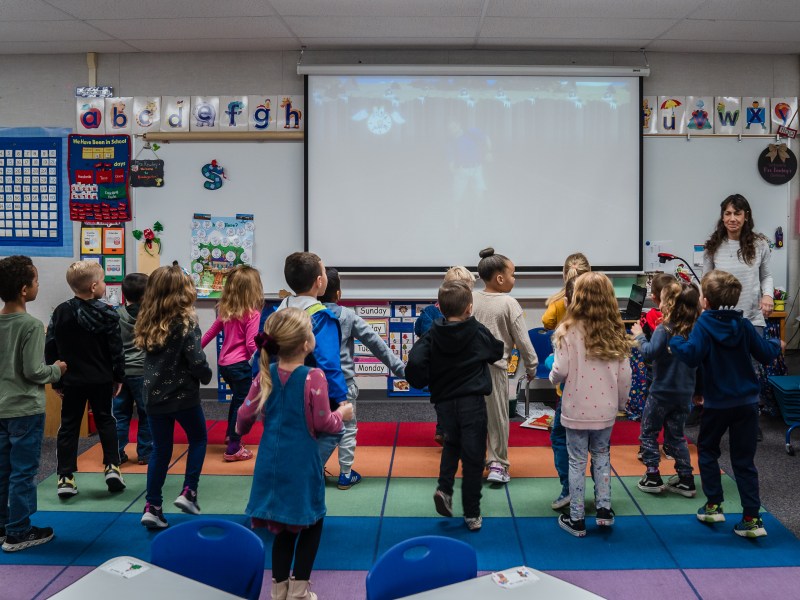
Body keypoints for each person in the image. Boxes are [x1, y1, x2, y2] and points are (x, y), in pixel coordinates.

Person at [237, 308, 353, 600]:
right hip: (302, 465)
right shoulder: (313, 376)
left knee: (283, 527)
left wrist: (243, 429)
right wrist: (344, 413)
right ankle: (299, 590)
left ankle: (279, 591)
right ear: (305, 344)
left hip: (270, 464)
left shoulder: (266, 374)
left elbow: (242, 417)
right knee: (312, 521)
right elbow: (323, 423)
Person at [670, 270, 781, 538]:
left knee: (707, 450)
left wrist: (674, 341)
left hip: (718, 404)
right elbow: (766, 355)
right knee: (744, 461)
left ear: (704, 301)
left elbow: (692, 355)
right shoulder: (743, 325)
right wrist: (777, 342)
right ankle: (752, 519)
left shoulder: (703, 326)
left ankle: (713, 505)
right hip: (746, 404)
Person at [405, 281, 503, 532]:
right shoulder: (477, 331)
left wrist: (422, 380)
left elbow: (415, 362)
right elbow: (496, 351)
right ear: (469, 308)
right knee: (472, 459)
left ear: (441, 309)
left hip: (445, 404)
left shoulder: (433, 334)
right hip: (473, 403)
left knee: (451, 444)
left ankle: (444, 489)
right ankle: (471, 513)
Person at [550, 272, 633, 537]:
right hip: (606, 409)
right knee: (602, 456)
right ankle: (604, 510)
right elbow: (625, 376)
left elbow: (559, 371)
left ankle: (576, 518)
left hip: (575, 408)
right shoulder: (616, 331)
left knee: (576, 461)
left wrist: (551, 375)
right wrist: (621, 403)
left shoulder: (567, 331)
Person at [135, 265, 212, 529]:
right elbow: (197, 360)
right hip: (182, 397)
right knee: (199, 438)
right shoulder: (186, 323)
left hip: (153, 397)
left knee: (160, 449)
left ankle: (152, 506)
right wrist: (205, 375)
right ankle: (189, 491)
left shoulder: (147, 320)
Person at [0, 256, 66, 552]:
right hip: (25, 410)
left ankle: (4, 525)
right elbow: (34, 371)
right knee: (24, 472)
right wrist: (57, 369)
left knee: (3, 470)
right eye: (37, 280)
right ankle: (19, 531)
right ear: (25, 290)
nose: (39, 284)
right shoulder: (30, 325)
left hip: (1, 408)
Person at [45, 260, 126, 498]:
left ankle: (65, 477)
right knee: (106, 420)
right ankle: (112, 466)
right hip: (101, 378)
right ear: (93, 287)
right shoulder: (108, 314)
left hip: (72, 380)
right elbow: (116, 350)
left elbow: (51, 347)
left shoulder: (60, 312)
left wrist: (56, 379)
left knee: (68, 426)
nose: (104, 285)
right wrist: (118, 376)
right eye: (102, 281)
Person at [319, 268, 405, 489]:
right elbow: (377, 344)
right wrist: (401, 370)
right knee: (347, 429)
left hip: (314, 384)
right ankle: (345, 475)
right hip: (344, 385)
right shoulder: (347, 315)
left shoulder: (307, 313)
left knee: (316, 427)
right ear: (338, 294)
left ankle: (315, 470)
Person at [701, 193, 775, 437]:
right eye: (728, 214)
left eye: (737, 213)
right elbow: (706, 280)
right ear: (722, 217)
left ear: (746, 216)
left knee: (750, 371)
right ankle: (717, 421)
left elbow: (766, 275)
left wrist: (768, 296)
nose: (732, 218)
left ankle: (750, 422)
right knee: (717, 371)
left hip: (751, 318)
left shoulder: (760, 244)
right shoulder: (713, 245)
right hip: (718, 321)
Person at [276, 253, 348, 469]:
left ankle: (291, 466)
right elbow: (329, 362)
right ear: (319, 282)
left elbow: (262, 349)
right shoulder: (321, 316)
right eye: (324, 272)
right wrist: (341, 397)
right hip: (310, 387)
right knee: (336, 429)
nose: (325, 276)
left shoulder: (279, 309)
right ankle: (305, 469)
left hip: (279, 383)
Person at [472, 248, 538, 484]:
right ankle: (498, 464)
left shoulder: (471, 299)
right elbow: (523, 341)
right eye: (512, 274)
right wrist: (532, 367)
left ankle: (474, 459)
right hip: (495, 369)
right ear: (499, 278)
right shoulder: (509, 303)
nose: (514, 278)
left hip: (469, 369)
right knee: (497, 416)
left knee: (474, 416)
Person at [632, 280, 700, 497]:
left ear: (667, 303)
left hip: (661, 393)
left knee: (649, 433)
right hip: (684, 394)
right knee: (677, 436)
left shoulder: (664, 329)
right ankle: (686, 478)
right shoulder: (694, 329)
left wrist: (639, 336)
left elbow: (650, 353)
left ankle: (653, 475)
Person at [201, 265, 264, 461]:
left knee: (237, 399)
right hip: (240, 366)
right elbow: (251, 343)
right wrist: (262, 363)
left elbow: (211, 332)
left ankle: (230, 435)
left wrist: (196, 349)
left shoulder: (226, 310)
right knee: (242, 404)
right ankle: (234, 447)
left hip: (225, 365)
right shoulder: (252, 313)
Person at [414, 266, 477, 445]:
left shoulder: (429, 312)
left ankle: (443, 430)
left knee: (442, 400)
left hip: (438, 369)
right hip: (461, 368)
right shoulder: (468, 315)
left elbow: (420, 331)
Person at [636, 272, 680, 462]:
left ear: (653, 297)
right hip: (680, 377)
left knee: (651, 414)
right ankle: (671, 448)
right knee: (675, 415)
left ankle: (647, 449)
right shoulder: (685, 318)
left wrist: (638, 334)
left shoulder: (651, 317)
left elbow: (646, 345)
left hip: (656, 374)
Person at [113, 272, 152, 466]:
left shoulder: (117, 314)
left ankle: (117, 453)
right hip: (143, 372)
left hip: (121, 373)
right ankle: (145, 453)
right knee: (146, 414)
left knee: (120, 414)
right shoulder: (151, 316)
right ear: (146, 295)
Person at [541, 253, 591, 331]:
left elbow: (547, 321)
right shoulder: (596, 299)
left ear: (564, 275)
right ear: (589, 273)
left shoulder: (556, 302)